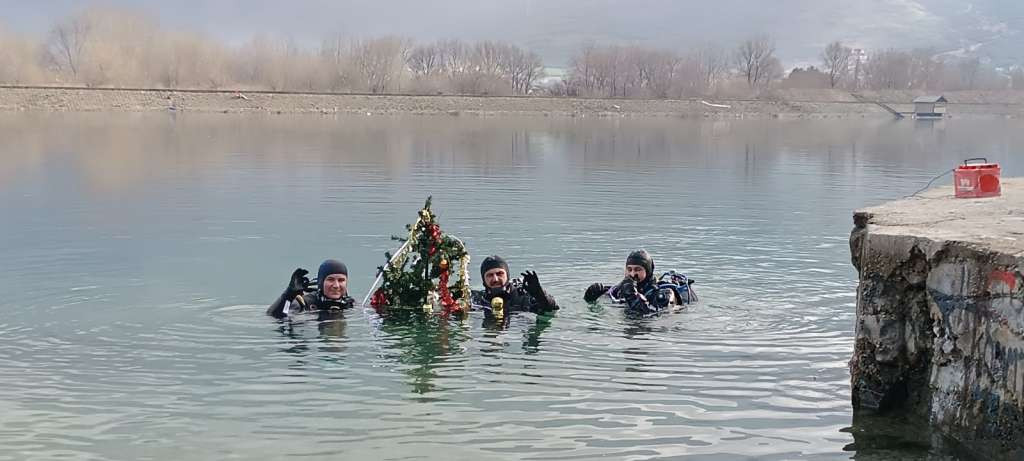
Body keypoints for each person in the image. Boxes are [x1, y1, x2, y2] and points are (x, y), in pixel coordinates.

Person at [583, 249, 689, 316]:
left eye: (638, 269)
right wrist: (591, 296)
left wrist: (633, 298)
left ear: (648, 271)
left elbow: (655, 314)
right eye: (629, 269)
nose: (633, 274)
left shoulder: (664, 292)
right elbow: (610, 296)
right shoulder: (622, 287)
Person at [267, 259, 355, 319]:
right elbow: (275, 316)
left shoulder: (350, 304)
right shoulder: (304, 303)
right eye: (330, 279)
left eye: (341, 280)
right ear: (321, 282)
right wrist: (288, 294)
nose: (336, 285)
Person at [471, 255, 558, 314]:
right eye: (490, 275)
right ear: (483, 280)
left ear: (507, 276)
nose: (495, 279)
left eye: (499, 273)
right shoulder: (477, 300)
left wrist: (539, 294)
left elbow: (551, 309)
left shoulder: (522, 297)